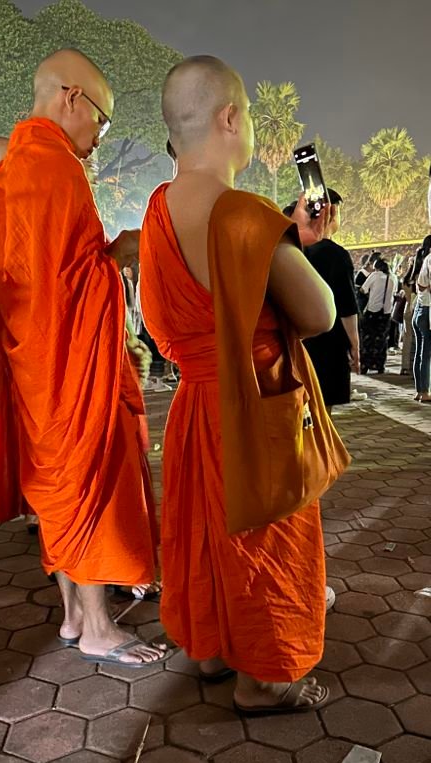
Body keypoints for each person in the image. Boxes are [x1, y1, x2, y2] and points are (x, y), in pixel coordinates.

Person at [140, 55, 338, 713]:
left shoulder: (157, 212)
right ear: (230, 118)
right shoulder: (243, 214)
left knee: (205, 527)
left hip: (197, 405)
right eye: (248, 113)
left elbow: (166, 320)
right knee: (266, 537)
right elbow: (319, 314)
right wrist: (293, 249)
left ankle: (209, 650)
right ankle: (268, 678)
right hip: (253, 408)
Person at [0, 48, 166, 667]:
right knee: (83, 475)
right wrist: (123, 255)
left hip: (33, 364)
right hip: (66, 366)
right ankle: (98, 628)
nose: (97, 141)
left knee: (55, 485)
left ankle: (71, 616)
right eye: (103, 123)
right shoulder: (53, 168)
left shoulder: (3, 175)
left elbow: (21, 283)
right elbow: (75, 284)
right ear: (71, 98)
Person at [301, 190, 360, 411]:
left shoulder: (295, 250)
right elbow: (347, 306)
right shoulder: (337, 255)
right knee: (324, 410)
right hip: (330, 342)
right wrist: (355, 344)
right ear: (331, 212)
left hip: (300, 341)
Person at [359, 258, 398, 374]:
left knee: (368, 338)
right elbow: (394, 292)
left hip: (372, 311)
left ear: (377, 267)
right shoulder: (393, 277)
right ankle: (380, 365)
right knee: (382, 338)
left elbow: (363, 289)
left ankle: (365, 365)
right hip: (386, 312)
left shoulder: (374, 276)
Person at [412, 238, 431, 402]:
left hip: (420, 308)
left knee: (420, 352)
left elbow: (420, 285)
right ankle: (424, 391)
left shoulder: (426, 258)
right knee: (425, 353)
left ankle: (420, 390)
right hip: (428, 309)